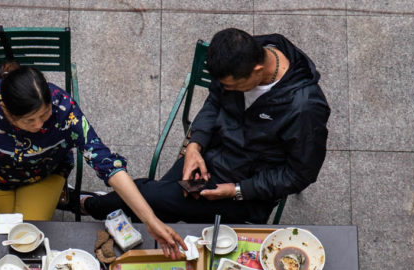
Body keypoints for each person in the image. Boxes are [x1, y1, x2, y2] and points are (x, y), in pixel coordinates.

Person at [84, 28, 330, 226]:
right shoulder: (243, 55)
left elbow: (301, 174)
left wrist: (236, 191)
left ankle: (89, 204)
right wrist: (194, 145)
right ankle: (108, 203)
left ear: (257, 71)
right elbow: (214, 101)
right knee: (153, 207)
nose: (227, 90)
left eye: (233, 87)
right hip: (208, 155)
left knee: (148, 198)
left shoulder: (305, 108)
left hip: (247, 185)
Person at [0, 65, 186, 257]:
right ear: (5, 110)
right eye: (29, 121)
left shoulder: (64, 109)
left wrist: (150, 220)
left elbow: (105, 162)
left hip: (43, 175)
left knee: (25, 240)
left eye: (44, 115)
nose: (39, 126)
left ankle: (62, 194)